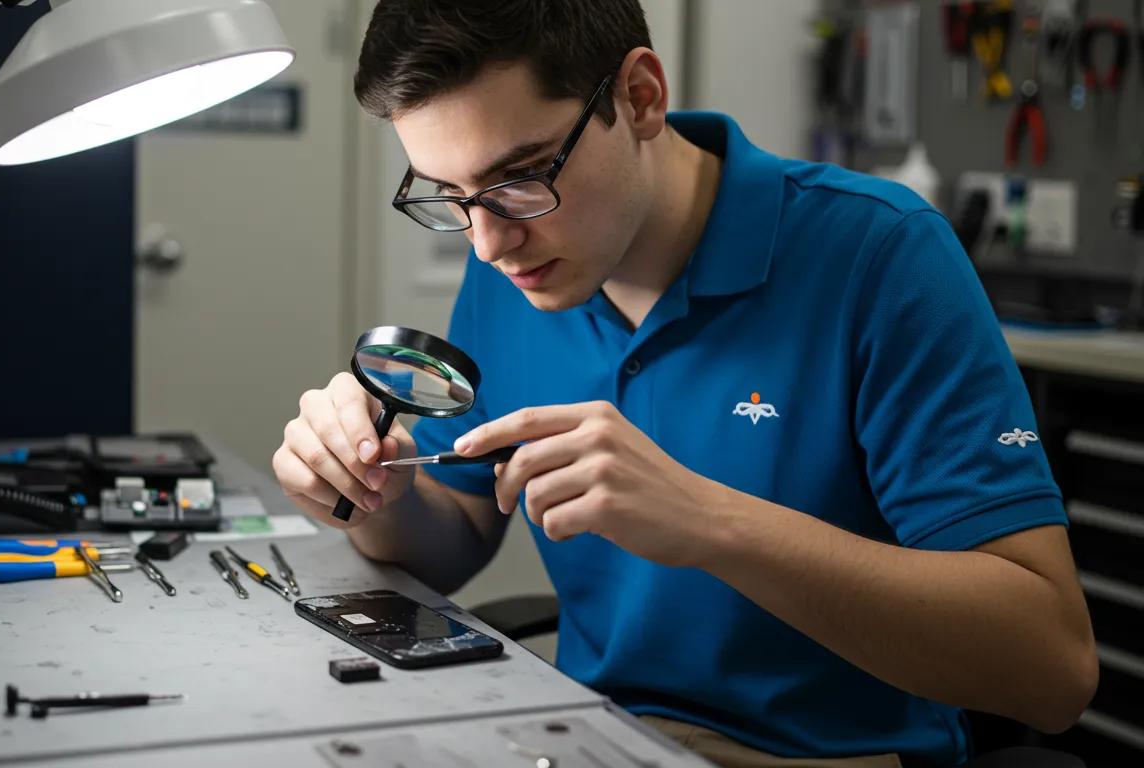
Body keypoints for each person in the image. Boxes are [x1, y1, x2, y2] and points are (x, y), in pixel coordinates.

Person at [271, 2, 1097, 765]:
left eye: (520, 176)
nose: (487, 242)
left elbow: (1051, 671)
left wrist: (707, 521)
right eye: (451, 196)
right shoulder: (513, 271)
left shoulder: (881, 257)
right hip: (592, 735)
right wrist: (373, 496)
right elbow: (454, 532)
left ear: (639, 96)